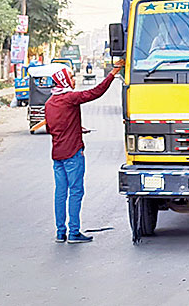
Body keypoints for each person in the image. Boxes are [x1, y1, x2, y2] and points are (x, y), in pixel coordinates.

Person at [45, 59, 124, 244]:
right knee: (76, 192)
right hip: (73, 153)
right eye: (71, 77)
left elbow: (52, 128)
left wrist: (76, 128)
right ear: (64, 81)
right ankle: (74, 232)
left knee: (60, 193)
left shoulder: (50, 103)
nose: (73, 80)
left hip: (57, 155)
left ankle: (60, 232)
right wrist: (113, 73)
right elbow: (95, 92)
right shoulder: (70, 98)